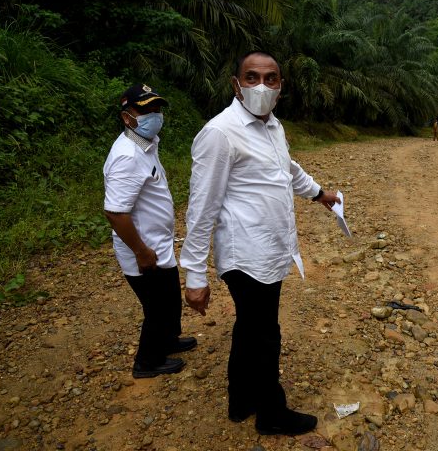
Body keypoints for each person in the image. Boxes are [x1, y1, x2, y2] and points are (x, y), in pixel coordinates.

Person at [180, 51, 341, 436]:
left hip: (270, 250)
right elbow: (201, 208)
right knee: (265, 333)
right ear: (236, 85)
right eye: (252, 77)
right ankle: (272, 412)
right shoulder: (220, 133)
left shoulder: (273, 127)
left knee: (250, 328)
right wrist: (194, 274)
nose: (261, 86)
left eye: (271, 79)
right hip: (246, 254)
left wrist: (320, 194)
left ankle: (241, 399)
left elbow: (288, 169)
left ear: (280, 88)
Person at [103, 84, 196, 379]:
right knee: (156, 308)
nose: (154, 115)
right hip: (143, 249)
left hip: (157, 244)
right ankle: (147, 362)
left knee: (168, 299)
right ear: (127, 117)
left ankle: (167, 341)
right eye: (145, 110)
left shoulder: (146, 145)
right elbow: (116, 212)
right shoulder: (127, 156)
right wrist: (141, 251)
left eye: (156, 109)